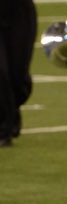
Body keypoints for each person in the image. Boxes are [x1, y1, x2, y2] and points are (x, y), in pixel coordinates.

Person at [0, 0, 36, 147]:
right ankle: (2, 128)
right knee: (0, 72)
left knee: (19, 74)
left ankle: (12, 108)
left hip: (20, 8)